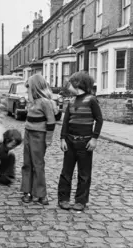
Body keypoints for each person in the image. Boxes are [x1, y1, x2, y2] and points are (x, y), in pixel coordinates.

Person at [58, 71, 103, 211]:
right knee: (66, 172)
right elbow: (65, 122)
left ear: (77, 83)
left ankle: (81, 201)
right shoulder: (71, 101)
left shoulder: (91, 100)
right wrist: (63, 139)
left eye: (70, 83)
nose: (68, 86)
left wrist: (94, 138)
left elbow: (99, 119)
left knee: (84, 174)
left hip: (85, 143)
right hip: (70, 142)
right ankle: (63, 199)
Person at [20, 74, 56, 205]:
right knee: (27, 163)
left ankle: (40, 193)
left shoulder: (45, 103)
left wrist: (48, 139)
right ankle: (27, 191)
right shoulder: (32, 103)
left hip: (39, 136)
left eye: (28, 89)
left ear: (35, 88)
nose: (27, 91)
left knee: (38, 165)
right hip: (28, 134)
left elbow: (51, 121)